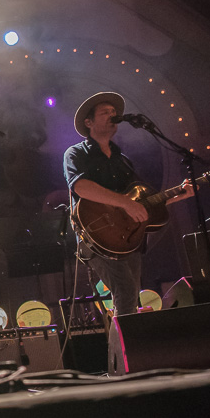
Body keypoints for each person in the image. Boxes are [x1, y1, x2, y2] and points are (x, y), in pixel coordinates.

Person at [63, 92, 192, 317]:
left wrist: (179, 195)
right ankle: (127, 350)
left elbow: (140, 203)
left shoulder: (122, 160)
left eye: (114, 113)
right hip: (96, 235)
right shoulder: (75, 153)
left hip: (126, 237)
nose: (113, 116)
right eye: (105, 113)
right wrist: (124, 203)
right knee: (125, 291)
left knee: (130, 293)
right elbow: (81, 187)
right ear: (89, 122)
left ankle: (127, 345)